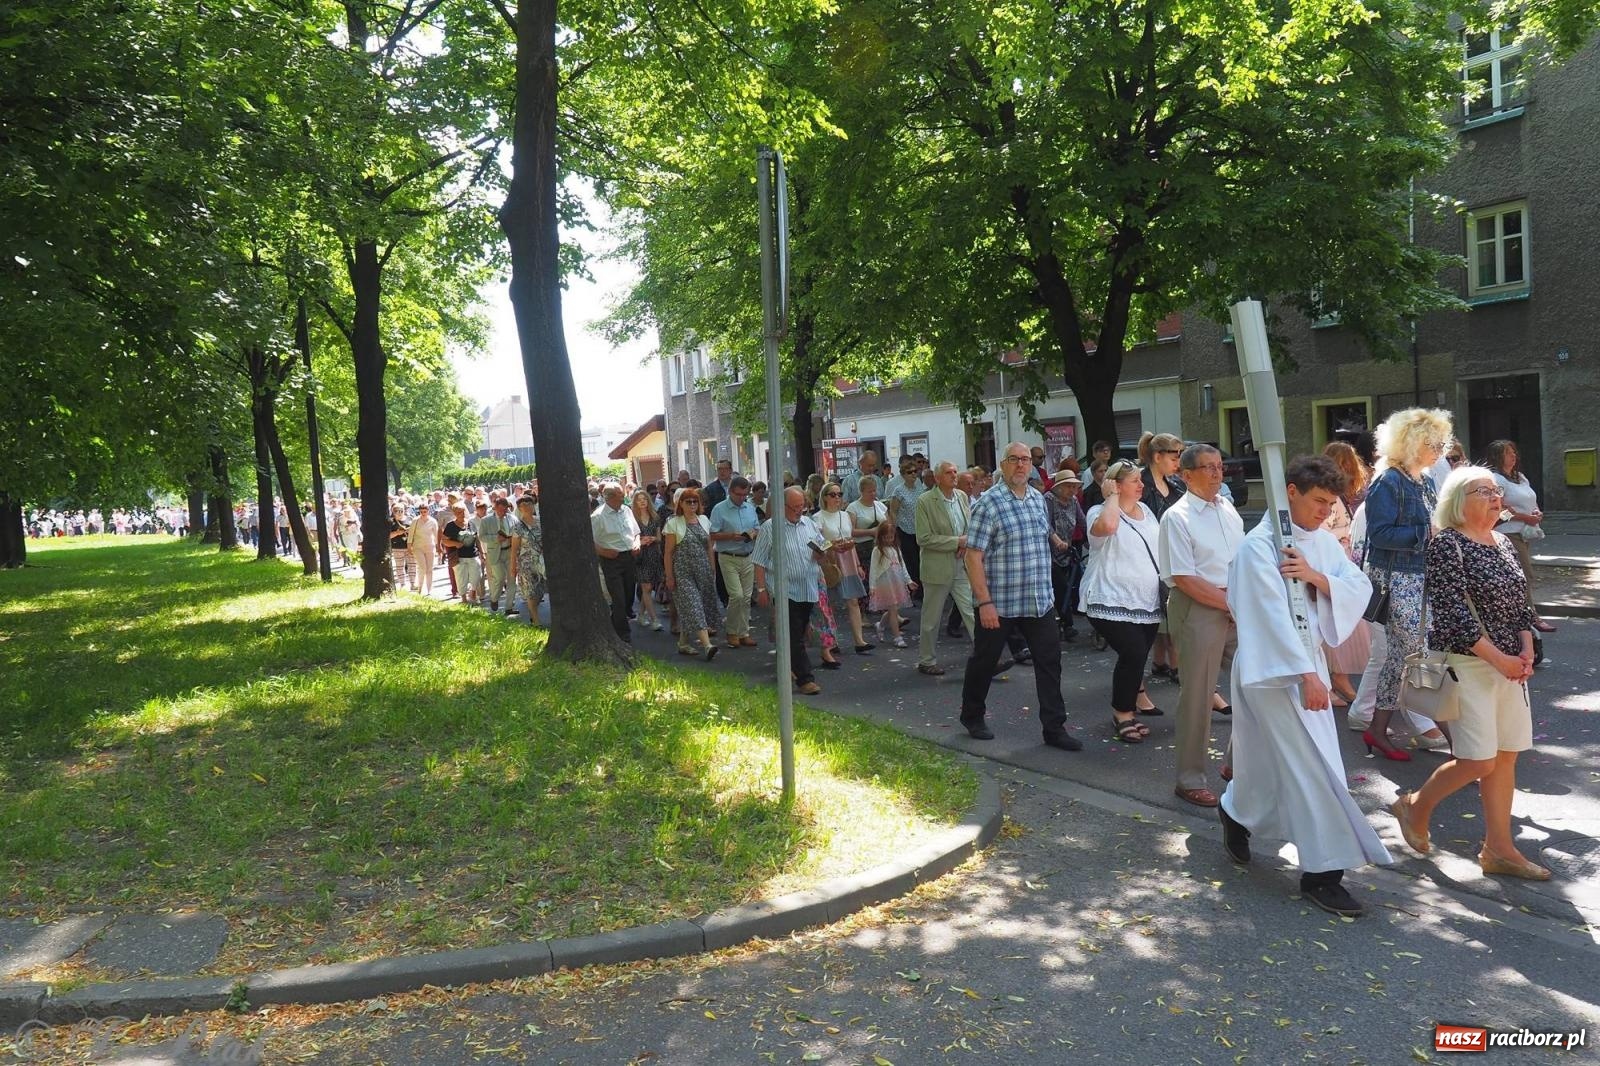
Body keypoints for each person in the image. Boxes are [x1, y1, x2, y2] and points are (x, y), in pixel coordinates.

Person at [1216, 455, 1390, 917]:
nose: (1323, 512)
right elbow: (1264, 619)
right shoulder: (1260, 548)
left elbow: (1356, 584)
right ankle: (1323, 875)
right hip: (1272, 671)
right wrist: (1309, 677)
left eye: (1331, 503)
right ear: (1290, 490)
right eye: (1317, 501)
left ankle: (1235, 809)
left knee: (1274, 764)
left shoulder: (1318, 540)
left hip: (1303, 663)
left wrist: (1315, 577)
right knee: (1314, 768)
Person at [1389, 465, 1545, 880]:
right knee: (1477, 760)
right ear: (1459, 500)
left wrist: (1527, 648)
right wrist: (1500, 658)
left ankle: (1499, 848)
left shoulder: (1503, 543)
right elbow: (1453, 614)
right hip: (1469, 665)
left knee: (1506, 754)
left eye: (1497, 491)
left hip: (1511, 667)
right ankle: (1415, 805)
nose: (1496, 498)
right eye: (1484, 491)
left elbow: (1521, 606)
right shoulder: (1448, 545)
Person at [960, 442, 1081, 750]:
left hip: (1037, 600)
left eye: (1025, 460)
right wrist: (984, 602)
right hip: (999, 602)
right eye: (1014, 460)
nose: (1020, 465)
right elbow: (973, 556)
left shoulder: (1038, 500)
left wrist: (1058, 543)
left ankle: (1054, 728)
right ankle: (972, 715)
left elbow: (1042, 535)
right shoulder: (987, 504)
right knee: (985, 661)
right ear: (1003, 465)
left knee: (1049, 662)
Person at [1363, 408, 1455, 760]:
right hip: (1397, 579)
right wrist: (1426, 532)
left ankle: (1376, 729)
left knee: (1401, 658)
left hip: (1419, 577)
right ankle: (1457, 738)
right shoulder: (1388, 481)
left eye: (1441, 442)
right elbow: (1380, 534)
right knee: (1424, 653)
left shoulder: (1425, 480)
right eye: (1433, 443)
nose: (1439, 449)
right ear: (1412, 443)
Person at [1159, 444, 1245, 804]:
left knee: (1254, 684)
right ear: (1186, 474)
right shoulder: (1177, 517)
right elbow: (1185, 578)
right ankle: (1190, 778)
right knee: (1197, 696)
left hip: (1235, 605)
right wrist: (1230, 603)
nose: (1216, 473)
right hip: (1199, 607)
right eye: (1208, 467)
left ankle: (1236, 763)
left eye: (1219, 466)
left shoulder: (1227, 508)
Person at [1082, 460, 1166, 749]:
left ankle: (1131, 704)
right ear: (1116, 485)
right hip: (1109, 598)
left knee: (1138, 656)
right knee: (1133, 651)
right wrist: (1110, 498)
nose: (1142, 485)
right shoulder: (1100, 510)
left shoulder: (1148, 512)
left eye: (1141, 480)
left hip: (1147, 600)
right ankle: (1122, 713)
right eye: (1134, 481)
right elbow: (1106, 527)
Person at [753, 487, 829, 694]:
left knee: (798, 632)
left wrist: (822, 554)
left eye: (801, 506)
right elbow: (758, 561)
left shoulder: (810, 524)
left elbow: (821, 551)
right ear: (783, 506)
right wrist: (761, 589)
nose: (799, 510)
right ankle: (805, 679)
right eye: (795, 507)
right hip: (784, 589)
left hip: (808, 588)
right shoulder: (771, 528)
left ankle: (786, 666)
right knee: (793, 634)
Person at [1486, 439, 1556, 634]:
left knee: (1518, 578)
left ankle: (1515, 615)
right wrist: (1524, 516)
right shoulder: (1495, 480)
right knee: (1524, 576)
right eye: (1509, 453)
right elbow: (1498, 512)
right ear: (1498, 457)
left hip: (1523, 533)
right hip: (1506, 535)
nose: (1514, 456)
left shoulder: (1520, 477)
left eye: (1514, 452)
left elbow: (1530, 501)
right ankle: (1531, 616)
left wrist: (1536, 513)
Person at [1321, 442, 1372, 706]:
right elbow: (1324, 532)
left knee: (1341, 624)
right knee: (1332, 625)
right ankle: (1332, 681)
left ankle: (1338, 679)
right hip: (1331, 568)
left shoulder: (1338, 498)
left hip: (1340, 565)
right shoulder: (1331, 499)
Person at [914, 461, 975, 676]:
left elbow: (969, 527)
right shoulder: (925, 501)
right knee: (932, 619)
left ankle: (987, 658)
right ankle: (926, 660)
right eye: (949, 472)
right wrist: (956, 541)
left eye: (955, 472)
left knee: (972, 612)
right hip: (937, 568)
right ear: (937, 478)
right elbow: (924, 538)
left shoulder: (961, 497)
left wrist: (964, 543)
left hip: (961, 564)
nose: (954, 475)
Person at [816, 484, 875, 653]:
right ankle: (831, 642)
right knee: (829, 603)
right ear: (825, 497)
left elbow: (850, 540)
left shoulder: (845, 515)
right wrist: (832, 545)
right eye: (833, 494)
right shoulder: (818, 517)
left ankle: (859, 641)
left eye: (839, 494)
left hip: (848, 558)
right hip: (830, 561)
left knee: (853, 601)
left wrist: (857, 564)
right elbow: (818, 543)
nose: (837, 498)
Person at [664, 489, 721, 660]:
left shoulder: (704, 520)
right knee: (694, 605)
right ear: (680, 503)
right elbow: (668, 553)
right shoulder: (673, 523)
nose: (692, 505)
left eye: (695, 502)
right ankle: (707, 645)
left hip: (702, 569)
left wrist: (712, 568)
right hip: (683, 572)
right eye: (688, 502)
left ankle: (683, 643)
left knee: (694, 607)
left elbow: (709, 546)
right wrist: (669, 576)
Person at [709, 476, 761, 648]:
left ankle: (744, 632)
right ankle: (732, 631)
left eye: (745, 495)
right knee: (736, 595)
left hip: (747, 555)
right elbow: (713, 534)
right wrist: (732, 535)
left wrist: (752, 533)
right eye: (738, 494)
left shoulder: (750, 507)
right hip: (728, 556)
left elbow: (757, 528)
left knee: (746, 597)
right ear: (730, 492)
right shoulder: (719, 509)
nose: (741, 498)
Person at [591, 484, 641, 643]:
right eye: (620, 494)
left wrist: (637, 543)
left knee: (628, 594)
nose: (623, 496)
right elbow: (589, 542)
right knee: (618, 597)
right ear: (610, 497)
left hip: (629, 557)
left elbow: (636, 532)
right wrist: (605, 552)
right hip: (611, 560)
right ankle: (622, 634)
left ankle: (617, 619)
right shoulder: (598, 516)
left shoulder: (626, 510)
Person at [1044, 472, 1085, 638]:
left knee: (1072, 584)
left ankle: (1065, 621)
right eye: (1069, 486)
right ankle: (1066, 623)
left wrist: (1092, 536)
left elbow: (1082, 521)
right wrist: (1056, 541)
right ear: (1059, 487)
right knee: (1061, 587)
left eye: (1074, 486)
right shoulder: (1049, 499)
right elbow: (1044, 524)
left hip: (1066, 549)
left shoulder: (1073, 501)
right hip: (1049, 551)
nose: (1073, 490)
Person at [885, 454, 928, 593]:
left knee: (922, 560)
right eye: (910, 472)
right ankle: (915, 590)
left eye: (915, 471)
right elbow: (893, 512)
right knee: (911, 562)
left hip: (920, 529)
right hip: (905, 530)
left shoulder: (919, 486)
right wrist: (893, 530)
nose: (914, 474)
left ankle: (923, 588)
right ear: (903, 474)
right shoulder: (898, 491)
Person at [869, 523, 915, 647]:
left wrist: (908, 581)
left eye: (891, 537)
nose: (889, 540)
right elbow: (873, 569)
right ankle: (897, 637)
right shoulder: (877, 550)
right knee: (893, 609)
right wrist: (872, 586)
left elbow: (902, 566)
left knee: (892, 609)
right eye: (886, 537)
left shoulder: (896, 549)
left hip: (896, 582)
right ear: (881, 537)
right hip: (885, 583)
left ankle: (881, 625)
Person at [508, 495, 547, 626]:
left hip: (541, 561)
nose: (527, 507)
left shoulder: (541, 521)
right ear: (519, 508)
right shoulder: (518, 527)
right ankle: (536, 621)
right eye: (523, 505)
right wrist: (513, 567)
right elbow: (514, 549)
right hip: (526, 563)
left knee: (540, 591)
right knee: (530, 591)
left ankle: (533, 612)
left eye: (529, 504)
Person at [631, 490, 666, 632]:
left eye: (644, 499)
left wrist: (652, 539)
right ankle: (654, 619)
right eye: (639, 499)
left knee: (650, 587)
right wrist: (640, 540)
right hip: (640, 555)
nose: (642, 501)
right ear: (635, 502)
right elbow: (629, 537)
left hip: (653, 554)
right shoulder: (632, 518)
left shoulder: (655, 517)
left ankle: (640, 615)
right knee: (646, 587)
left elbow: (659, 538)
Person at [846, 473, 887, 578]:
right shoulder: (853, 507)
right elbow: (850, 531)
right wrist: (871, 531)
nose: (873, 494)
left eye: (874, 490)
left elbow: (889, 524)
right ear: (861, 491)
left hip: (882, 547)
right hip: (864, 550)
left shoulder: (880, 505)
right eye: (870, 491)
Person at [479, 497, 514, 613]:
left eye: (505, 510)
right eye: (501, 510)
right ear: (495, 508)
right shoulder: (486, 520)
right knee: (499, 578)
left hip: (510, 551)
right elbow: (481, 537)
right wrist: (495, 538)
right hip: (495, 552)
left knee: (512, 579)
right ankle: (494, 598)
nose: (504, 512)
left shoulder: (512, 518)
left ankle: (509, 607)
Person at [442, 504, 480, 606]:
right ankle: (464, 599)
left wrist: (482, 552)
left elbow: (477, 538)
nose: (461, 514)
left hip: (473, 554)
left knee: (476, 576)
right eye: (459, 512)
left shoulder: (471, 523)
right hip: (458, 556)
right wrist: (455, 544)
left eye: (463, 512)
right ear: (454, 513)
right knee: (460, 578)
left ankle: (473, 593)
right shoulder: (450, 525)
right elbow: (444, 541)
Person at [407, 505, 438, 596]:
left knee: (430, 568)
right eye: (421, 512)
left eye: (425, 511)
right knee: (422, 567)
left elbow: (436, 535)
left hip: (430, 546)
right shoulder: (415, 521)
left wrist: (438, 547)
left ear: (428, 511)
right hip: (418, 547)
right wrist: (409, 546)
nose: (423, 514)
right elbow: (410, 535)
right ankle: (420, 587)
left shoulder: (433, 521)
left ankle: (429, 589)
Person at [389, 503, 415, 591]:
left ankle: (413, 584)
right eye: (396, 511)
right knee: (399, 566)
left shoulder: (410, 519)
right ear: (393, 512)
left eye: (401, 510)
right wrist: (397, 533)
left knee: (412, 565)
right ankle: (402, 584)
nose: (399, 513)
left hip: (410, 546)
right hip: (397, 547)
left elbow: (415, 531)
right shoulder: (391, 522)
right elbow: (387, 536)